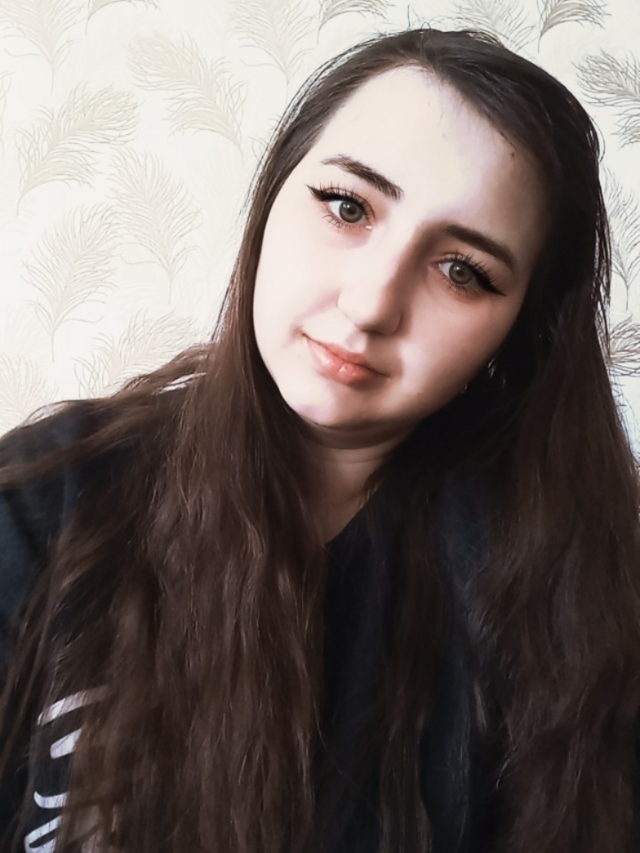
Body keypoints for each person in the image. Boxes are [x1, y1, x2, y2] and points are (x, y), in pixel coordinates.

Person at [1, 24, 639, 853]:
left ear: (515, 337)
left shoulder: (572, 592)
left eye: (462, 271)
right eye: (347, 206)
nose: (372, 303)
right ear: (271, 199)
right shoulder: (45, 499)